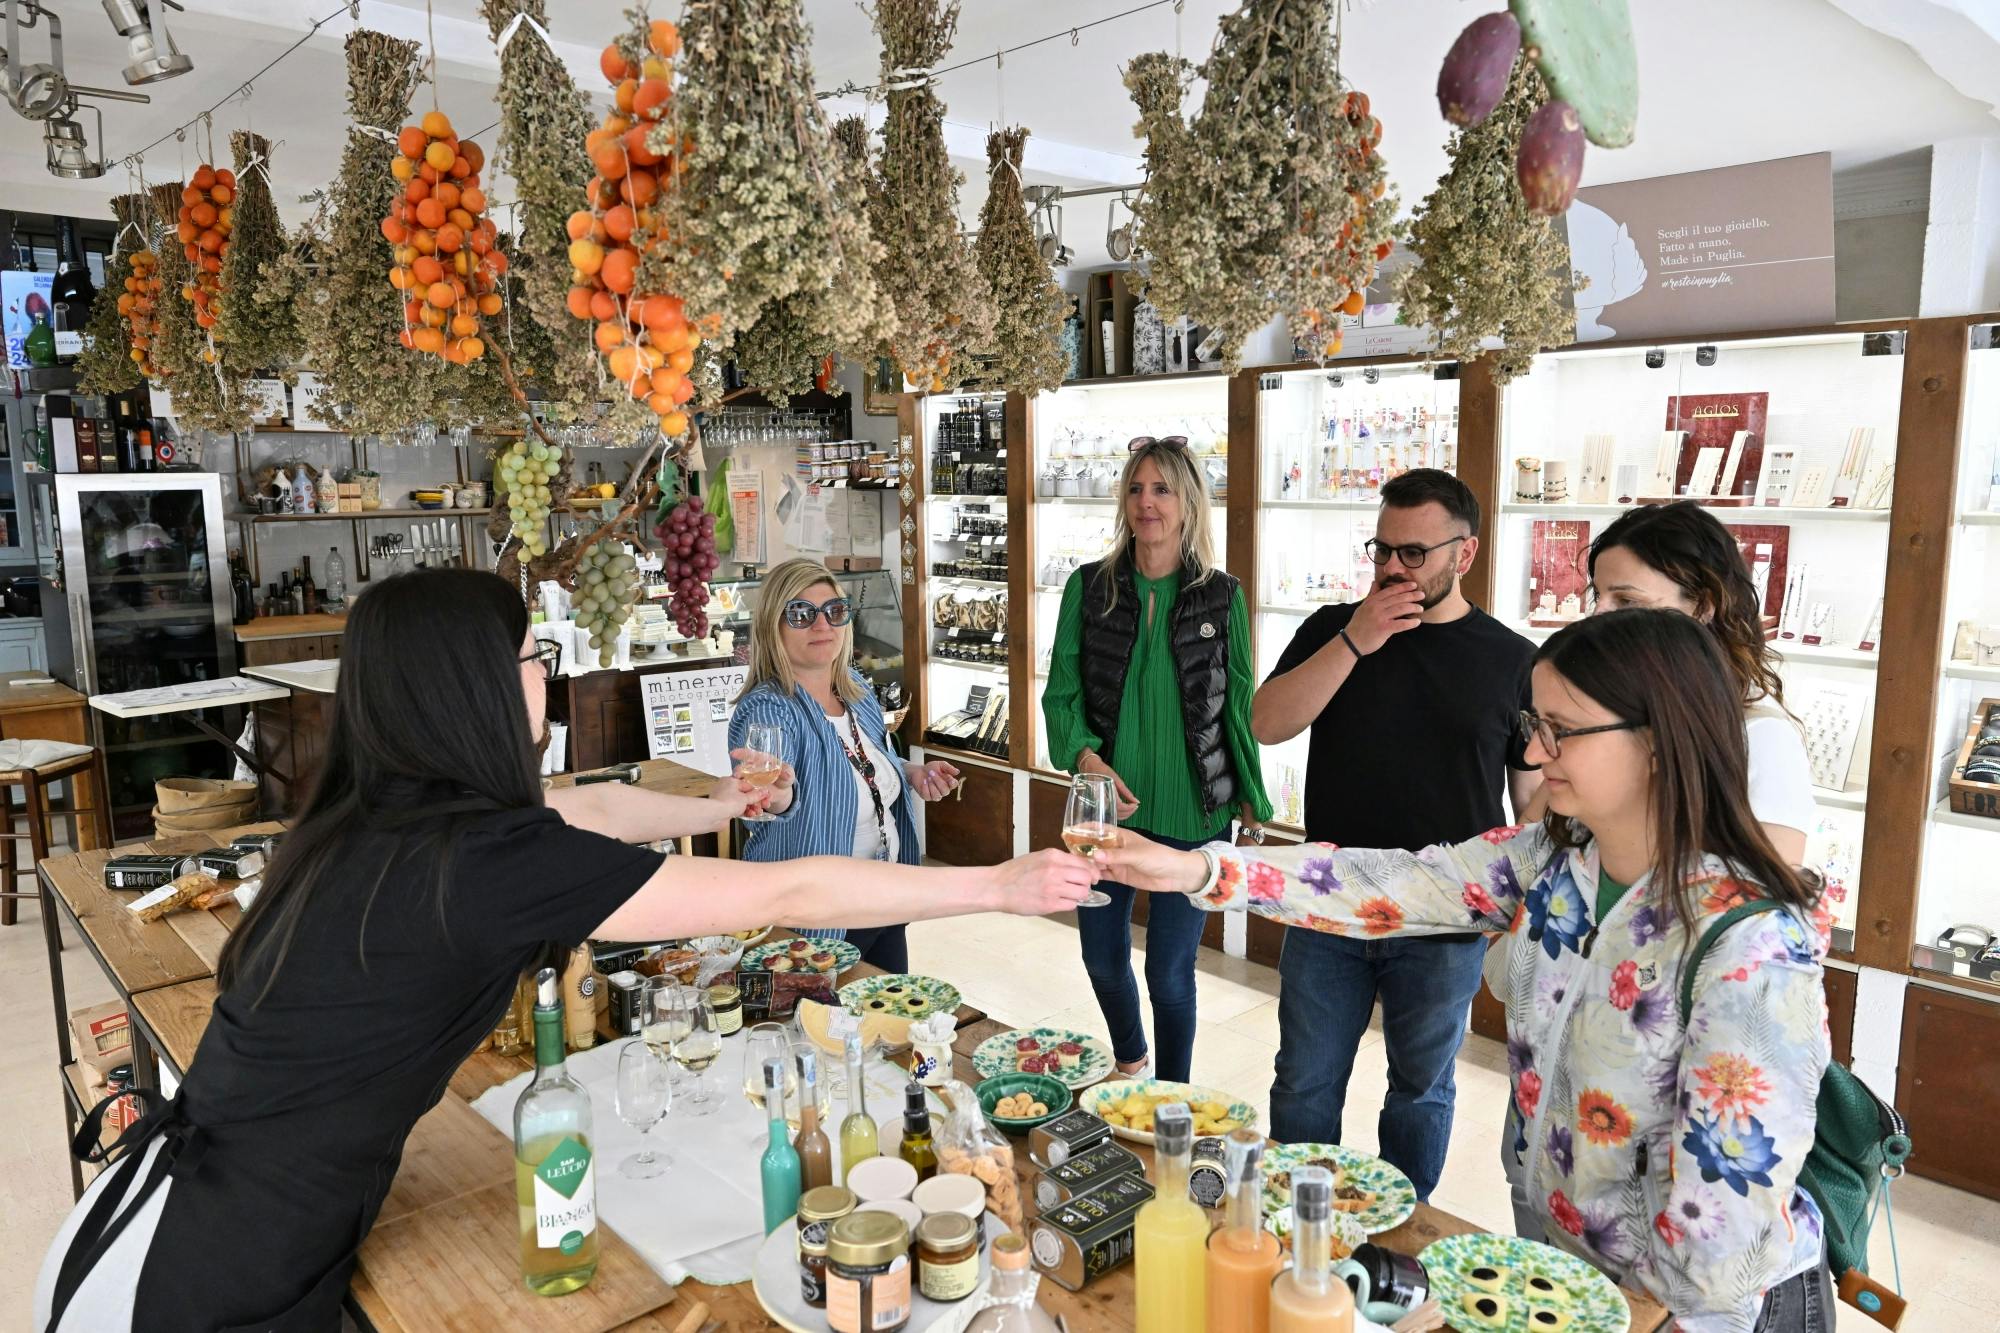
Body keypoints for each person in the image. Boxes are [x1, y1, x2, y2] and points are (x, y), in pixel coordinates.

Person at [34, 568, 1096, 1331]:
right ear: (478, 689)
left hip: (146, 1215)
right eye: (532, 657)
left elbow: (581, 809)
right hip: (209, 1281)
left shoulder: (375, 818)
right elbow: (782, 885)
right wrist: (993, 883)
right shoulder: (477, 860)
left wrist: (717, 798)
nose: (545, 672)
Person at [1104, 609, 1834, 1331]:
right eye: (1535, 724)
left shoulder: (1751, 944)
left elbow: (1722, 1235)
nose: (1538, 753)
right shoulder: (1555, 858)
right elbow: (1393, 883)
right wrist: (1200, 866)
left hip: (1687, 1314)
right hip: (1572, 1275)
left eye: (1563, 729)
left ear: (1655, 740)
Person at [1249, 467, 1540, 1199]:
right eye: (1381, 549)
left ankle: (1402, 1236)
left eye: (1413, 553)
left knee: (1421, 1087)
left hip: (1445, 916)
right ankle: (1299, 1221)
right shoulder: (1332, 627)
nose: (1390, 568)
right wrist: (1355, 639)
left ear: (1463, 554)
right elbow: (1266, 722)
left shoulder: (1512, 660)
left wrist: (1520, 906)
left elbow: (1533, 801)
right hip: (1331, 901)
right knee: (1305, 1078)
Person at [1041, 436, 1271, 1081]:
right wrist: (1087, 760)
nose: (1147, 502)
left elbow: (1239, 706)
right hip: (1104, 814)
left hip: (1194, 815)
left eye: (1162, 489)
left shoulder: (1222, 597)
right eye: (1137, 488)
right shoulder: (1089, 589)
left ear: (1189, 501)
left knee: (1169, 974)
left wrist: (1251, 798)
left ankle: (1174, 1096)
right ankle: (1129, 1058)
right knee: (1101, 957)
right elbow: (1062, 693)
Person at [727, 558, 961, 971]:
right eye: (801, 614)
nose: (823, 626)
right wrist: (777, 796)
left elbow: (862, 763)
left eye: (835, 611)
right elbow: (767, 801)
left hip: (882, 895)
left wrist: (909, 772)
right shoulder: (769, 708)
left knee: (885, 1024)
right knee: (821, 1028)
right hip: (816, 915)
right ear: (772, 626)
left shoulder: (856, 694)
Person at [1579, 501, 1813, 864]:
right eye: (1599, 595)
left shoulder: (1762, 737)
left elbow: (1769, 903)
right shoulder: (1610, 706)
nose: (1598, 614)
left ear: (1704, 606)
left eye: (1626, 600)